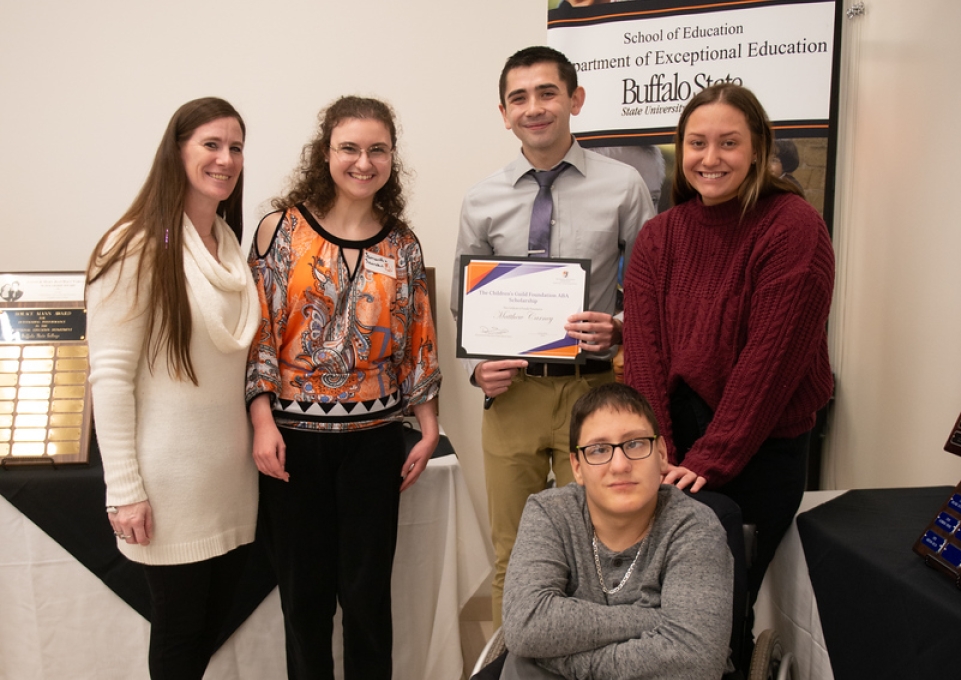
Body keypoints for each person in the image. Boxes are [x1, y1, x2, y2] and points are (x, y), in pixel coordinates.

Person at [622, 83, 834, 666]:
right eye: (696, 143)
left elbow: (770, 364)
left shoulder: (792, 227)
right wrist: (656, 448)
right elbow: (644, 351)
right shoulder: (659, 235)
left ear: (759, 149)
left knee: (715, 612)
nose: (710, 157)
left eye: (728, 143)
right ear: (679, 150)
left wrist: (708, 464)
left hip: (760, 446)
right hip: (675, 440)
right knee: (652, 600)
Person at [451, 45, 655, 628]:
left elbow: (652, 296)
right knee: (512, 555)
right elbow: (465, 305)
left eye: (547, 93)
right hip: (512, 395)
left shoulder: (625, 186)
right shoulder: (482, 197)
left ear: (575, 100)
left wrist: (617, 328)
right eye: (520, 98)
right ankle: (514, 663)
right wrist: (478, 368)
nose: (534, 107)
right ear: (504, 112)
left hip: (592, 396)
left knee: (599, 551)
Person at [246, 95, 441, 680]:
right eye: (349, 148)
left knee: (366, 601)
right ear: (325, 152)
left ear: (391, 158)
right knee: (303, 601)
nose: (363, 162)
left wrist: (428, 429)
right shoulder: (279, 232)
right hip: (293, 445)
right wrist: (261, 423)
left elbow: (417, 340)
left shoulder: (402, 244)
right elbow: (256, 337)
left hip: (373, 444)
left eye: (377, 149)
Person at [86, 97, 259, 679]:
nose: (226, 159)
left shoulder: (230, 246)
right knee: (180, 640)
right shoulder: (133, 246)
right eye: (211, 144)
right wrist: (124, 489)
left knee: (206, 632)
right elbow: (109, 377)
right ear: (177, 151)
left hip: (229, 482)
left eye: (235, 147)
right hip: (167, 487)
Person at [494, 382, 732, 680]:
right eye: (598, 449)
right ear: (577, 467)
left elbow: (695, 660)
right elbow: (526, 624)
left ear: (660, 453)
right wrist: (652, 620)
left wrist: (561, 663)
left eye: (634, 444)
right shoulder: (550, 513)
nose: (620, 465)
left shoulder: (695, 526)